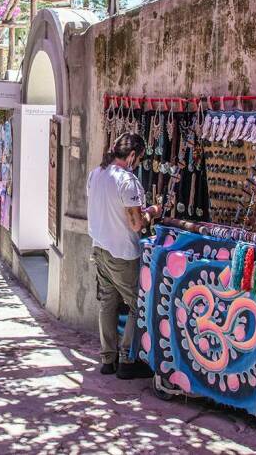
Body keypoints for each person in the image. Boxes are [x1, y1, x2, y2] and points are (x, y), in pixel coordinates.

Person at [86, 132, 159, 379]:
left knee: (107, 303)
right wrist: (152, 212)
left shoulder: (96, 174)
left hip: (100, 247)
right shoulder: (127, 181)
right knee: (137, 305)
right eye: (137, 159)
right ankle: (128, 359)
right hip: (123, 253)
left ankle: (108, 359)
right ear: (131, 156)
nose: (136, 163)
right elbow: (137, 224)